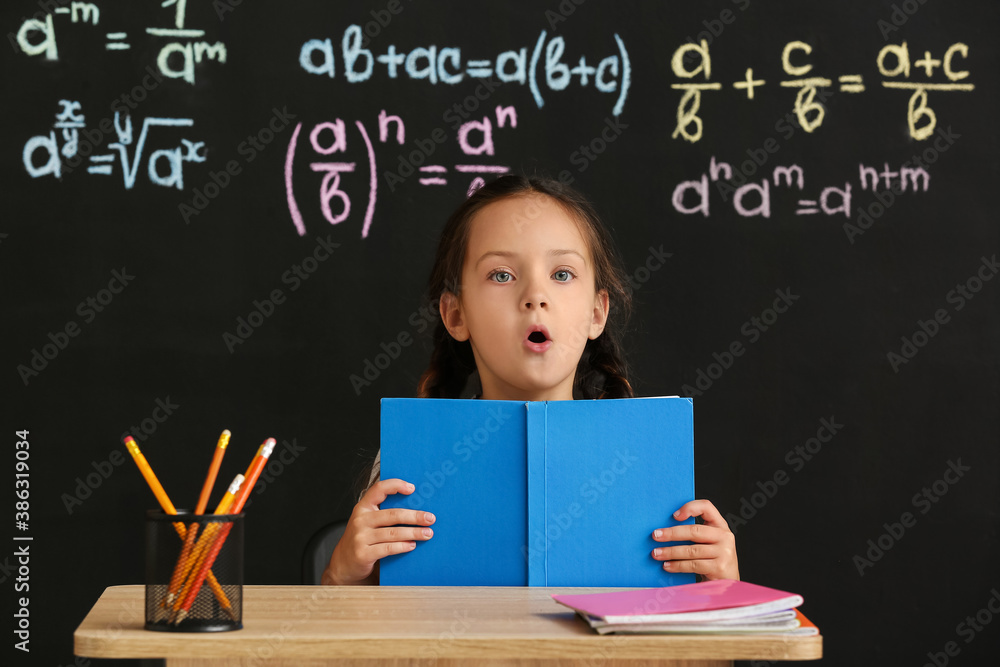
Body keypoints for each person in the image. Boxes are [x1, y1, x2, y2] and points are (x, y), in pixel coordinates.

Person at [322, 174, 739, 586]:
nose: (535, 296)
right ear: (455, 315)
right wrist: (343, 574)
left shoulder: (649, 467)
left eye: (562, 274)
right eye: (501, 275)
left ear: (597, 313)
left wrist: (723, 584)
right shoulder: (407, 464)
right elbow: (350, 649)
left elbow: (699, 650)